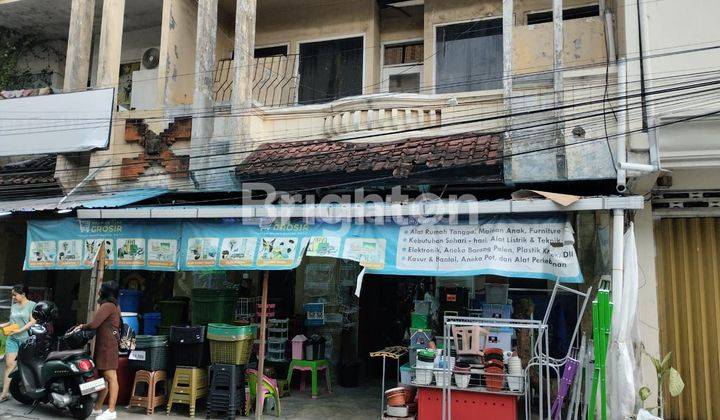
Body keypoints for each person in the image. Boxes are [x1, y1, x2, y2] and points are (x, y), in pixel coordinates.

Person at [76, 282, 121, 420]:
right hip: (105, 346)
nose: (99, 292)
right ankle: (97, 408)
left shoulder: (107, 306)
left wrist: (81, 326)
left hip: (108, 347)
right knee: (102, 379)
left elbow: (94, 324)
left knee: (110, 377)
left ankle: (112, 411)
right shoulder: (115, 306)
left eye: (101, 290)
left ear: (104, 292)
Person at [0, 284, 37, 402]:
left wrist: (20, 330)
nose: (13, 297)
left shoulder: (32, 305)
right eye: (12, 295)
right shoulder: (14, 306)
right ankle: (4, 394)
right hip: (12, 338)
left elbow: (33, 321)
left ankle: (29, 390)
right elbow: (12, 322)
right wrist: (2, 325)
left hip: (25, 339)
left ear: (23, 294)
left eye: (15, 294)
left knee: (26, 365)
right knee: (9, 365)